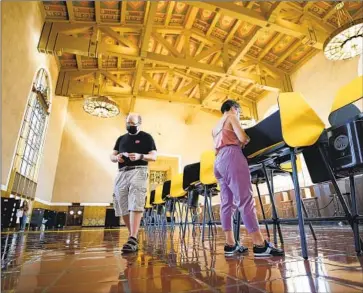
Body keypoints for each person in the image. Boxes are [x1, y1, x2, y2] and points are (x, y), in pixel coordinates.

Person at [212, 100, 284, 257]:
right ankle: (260, 244)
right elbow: (243, 138)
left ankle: (230, 244)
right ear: (234, 108)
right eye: (239, 111)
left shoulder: (215, 127)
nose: (238, 114)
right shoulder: (231, 117)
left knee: (227, 204)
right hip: (231, 156)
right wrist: (244, 140)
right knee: (245, 200)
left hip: (218, 162)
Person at [111, 113, 157, 253]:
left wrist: (140, 156)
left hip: (139, 170)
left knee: (136, 200)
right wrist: (117, 157)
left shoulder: (146, 137)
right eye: (128, 122)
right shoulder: (121, 139)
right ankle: (133, 237)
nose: (129, 125)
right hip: (122, 172)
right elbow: (111, 156)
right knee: (121, 203)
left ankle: (132, 237)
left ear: (139, 123)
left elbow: (154, 156)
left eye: (132, 123)